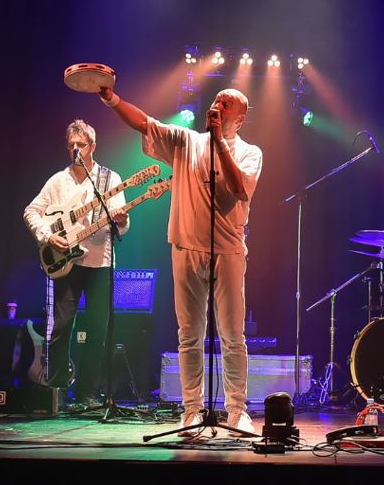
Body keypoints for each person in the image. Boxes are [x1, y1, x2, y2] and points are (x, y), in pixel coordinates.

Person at [96, 84, 263, 436]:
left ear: (240, 119)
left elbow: (239, 188)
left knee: (232, 336)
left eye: (226, 104)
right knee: (189, 336)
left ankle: (237, 410)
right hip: (185, 248)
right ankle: (191, 410)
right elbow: (144, 123)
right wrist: (112, 99)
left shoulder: (250, 153)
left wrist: (219, 141)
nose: (217, 105)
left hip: (228, 252)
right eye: (217, 100)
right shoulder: (186, 141)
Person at [23, 119, 129, 406]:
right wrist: (47, 236)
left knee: (97, 329)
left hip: (100, 262)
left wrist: (121, 220)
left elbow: (121, 224)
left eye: (80, 145)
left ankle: (87, 393)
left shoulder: (110, 179)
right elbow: (31, 211)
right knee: (62, 326)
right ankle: (56, 391)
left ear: (93, 146)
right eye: (71, 145)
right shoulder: (58, 181)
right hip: (66, 263)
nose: (75, 150)